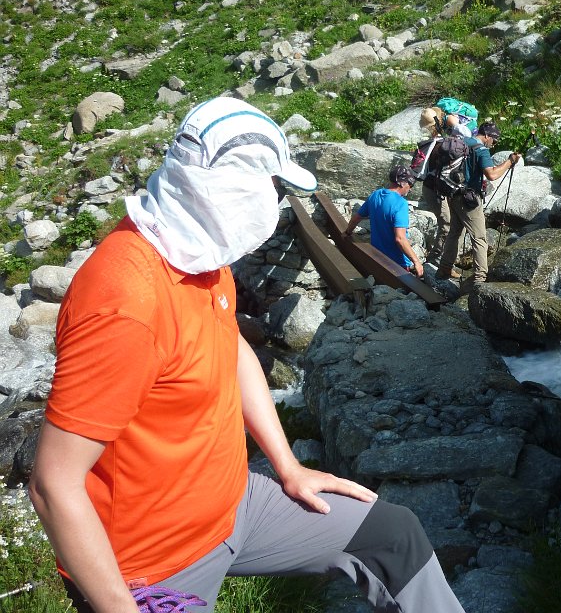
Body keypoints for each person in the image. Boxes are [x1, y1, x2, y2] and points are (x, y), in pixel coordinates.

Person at [28, 97, 465, 613]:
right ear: (226, 189)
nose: (274, 202)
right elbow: (53, 485)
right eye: (271, 187)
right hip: (150, 565)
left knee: (394, 536)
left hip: (236, 505)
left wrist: (288, 467)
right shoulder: (125, 303)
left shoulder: (200, 252)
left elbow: (231, 348)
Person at [436, 121, 521, 287]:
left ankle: (444, 268)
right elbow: (492, 175)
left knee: (455, 233)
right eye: (494, 140)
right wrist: (510, 161)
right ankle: (480, 278)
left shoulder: (463, 142)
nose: (493, 144)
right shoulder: (481, 150)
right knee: (480, 238)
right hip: (469, 199)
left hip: (453, 194)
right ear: (487, 136)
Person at [343, 165, 424, 278]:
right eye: (410, 185)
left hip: (377, 258)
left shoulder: (375, 195)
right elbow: (400, 239)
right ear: (403, 183)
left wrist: (347, 232)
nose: (410, 189)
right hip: (397, 264)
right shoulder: (401, 204)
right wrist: (416, 261)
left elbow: (356, 218)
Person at [413, 107, 461, 274]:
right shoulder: (443, 144)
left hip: (432, 188)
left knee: (448, 223)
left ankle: (442, 259)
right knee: (447, 224)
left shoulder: (429, 144)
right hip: (436, 190)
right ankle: (437, 259)